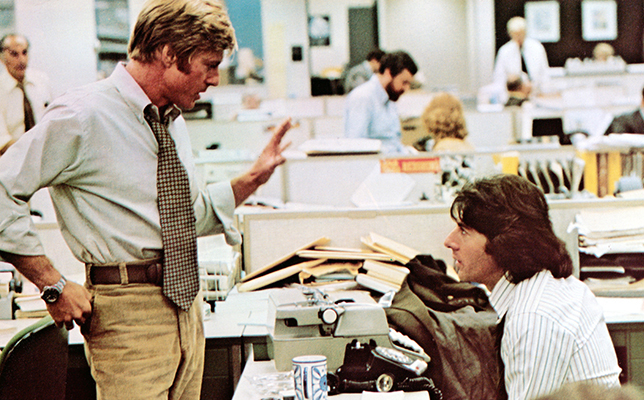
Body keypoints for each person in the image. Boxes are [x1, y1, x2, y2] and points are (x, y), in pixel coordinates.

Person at [0, 0, 292, 398]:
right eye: (209, 64)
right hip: (128, 314)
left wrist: (253, 179)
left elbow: (181, 218)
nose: (215, 79)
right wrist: (52, 284)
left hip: (187, 307)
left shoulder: (170, 118)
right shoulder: (83, 116)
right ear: (170, 55)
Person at [443, 174, 621, 400]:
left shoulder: (533, 316)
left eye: (464, 231)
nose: (449, 241)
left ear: (504, 242)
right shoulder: (540, 288)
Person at [344, 50, 418, 153]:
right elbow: (356, 145)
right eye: (404, 82)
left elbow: (394, 142)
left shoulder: (390, 98)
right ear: (388, 73)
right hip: (374, 166)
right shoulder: (363, 98)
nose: (406, 89)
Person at [0, 34, 52, 155]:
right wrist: (32, 150)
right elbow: (2, 141)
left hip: (44, 154)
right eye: (14, 54)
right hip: (12, 160)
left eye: (24, 52)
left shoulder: (41, 81)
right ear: (2, 58)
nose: (21, 60)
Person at [493, 16, 549, 100]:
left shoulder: (537, 48)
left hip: (536, 94)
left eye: (520, 34)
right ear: (510, 34)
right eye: (515, 34)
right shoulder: (504, 51)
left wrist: (544, 93)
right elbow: (498, 78)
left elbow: (544, 74)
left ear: (525, 32)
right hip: (514, 96)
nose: (518, 37)